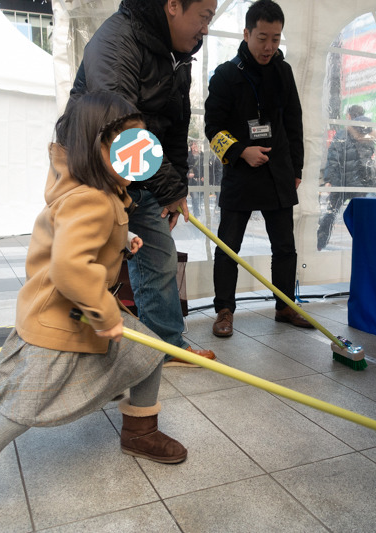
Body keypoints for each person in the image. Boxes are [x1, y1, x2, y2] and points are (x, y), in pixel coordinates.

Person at [0, 92, 190, 532]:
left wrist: (124, 244)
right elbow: (69, 268)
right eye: (127, 144)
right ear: (95, 145)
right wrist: (107, 314)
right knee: (23, 409)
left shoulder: (104, 191)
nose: (138, 153)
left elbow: (88, 239)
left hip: (82, 310)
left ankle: (140, 431)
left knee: (149, 353)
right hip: (61, 319)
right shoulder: (91, 199)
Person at [70, 0, 218, 367]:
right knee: (90, 259)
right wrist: (167, 188)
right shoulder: (116, 41)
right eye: (204, 16)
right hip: (97, 171)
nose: (206, 28)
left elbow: (176, 122)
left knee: (158, 255)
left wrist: (176, 187)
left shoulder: (177, 52)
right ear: (172, 6)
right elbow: (120, 129)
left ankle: (164, 347)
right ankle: (73, 344)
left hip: (138, 168)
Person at [204, 0, 311, 338]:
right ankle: (224, 309)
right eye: (262, 38)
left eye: (276, 39)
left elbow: (294, 122)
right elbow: (212, 128)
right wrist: (240, 151)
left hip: (278, 172)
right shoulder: (225, 75)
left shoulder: (284, 71)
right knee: (228, 247)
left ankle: (284, 306)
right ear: (247, 33)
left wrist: (297, 168)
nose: (269, 47)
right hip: (241, 171)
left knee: (285, 247)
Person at [316, 104, 374, 251]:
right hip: (360, 185)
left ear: (349, 116)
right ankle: (365, 247)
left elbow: (333, 158)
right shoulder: (369, 134)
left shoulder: (342, 134)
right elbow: (368, 161)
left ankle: (319, 245)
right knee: (361, 218)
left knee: (330, 214)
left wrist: (328, 180)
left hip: (341, 183)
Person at [187, 140, 204, 217]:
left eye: (197, 145)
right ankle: (197, 215)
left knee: (200, 198)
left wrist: (205, 176)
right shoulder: (188, 156)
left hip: (201, 181)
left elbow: (207, 168)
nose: (196, 146)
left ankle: (199, 213)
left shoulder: (203, 155)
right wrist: (188, 174)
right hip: (193, 181)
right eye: (194, 145)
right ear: (191, 147)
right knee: (195, 198)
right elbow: (185, 166)